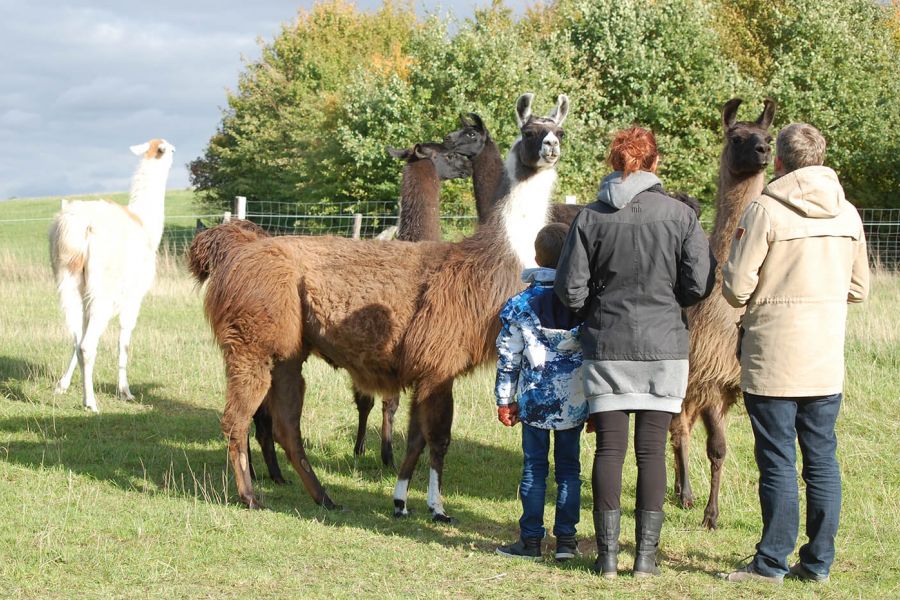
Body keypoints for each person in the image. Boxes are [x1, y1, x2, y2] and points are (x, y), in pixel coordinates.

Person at [554, 126, 715, 578]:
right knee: (651, 453)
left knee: (609, 450)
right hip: (664, 347)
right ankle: (645, 560)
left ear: (613, 163)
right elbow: (699, 284)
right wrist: (670, 301)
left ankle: (606, 560)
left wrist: (596, 308)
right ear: (655, 163)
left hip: (606, 345)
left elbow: (569, 291)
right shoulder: (681, 217)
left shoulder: (589, 218)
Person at [719, 123, 870, 584]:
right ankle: (818, 562)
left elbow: (735, 288)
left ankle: (770, 562)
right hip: (824, 358)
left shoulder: (764, 210)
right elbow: (860, 288)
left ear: (779, 161)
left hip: (772, 358)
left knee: (778, 460)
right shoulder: (847, 213)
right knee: (821, 459)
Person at [494, 222, 588, 563]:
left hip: (533, 401)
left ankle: (530, 541)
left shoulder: (519, 305)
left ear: (536, 256)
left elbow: (508, 358)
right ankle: (566, 541)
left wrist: (505, 400)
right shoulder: (584, 301)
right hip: (576, 401)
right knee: (569, 469)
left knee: (534, 469)